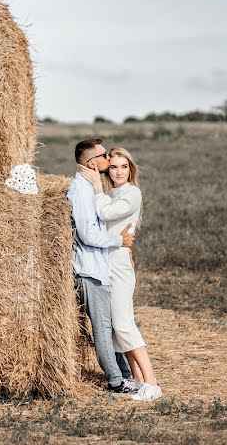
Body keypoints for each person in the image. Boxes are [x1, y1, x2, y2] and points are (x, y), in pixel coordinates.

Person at [79, 147, 163, 402]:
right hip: (108, 264)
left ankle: (152, 383)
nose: (117, 171)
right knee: (116, 327)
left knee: (125, 324)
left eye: (123, 167)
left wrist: (96, 187)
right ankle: (137, 381)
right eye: (113, 166)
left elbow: (105, 213)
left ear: (130, 169)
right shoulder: (114, 192)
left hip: (120, 268)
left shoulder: (132, 194)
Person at [68, 138, 140, 397]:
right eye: (103, 157)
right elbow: (88, 235)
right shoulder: (80, 192)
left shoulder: (93, 189)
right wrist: (119, 241)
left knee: (109, 325)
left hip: (101, 268)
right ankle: (116, 382)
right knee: (102, 328)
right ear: (91, 163)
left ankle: (125, 374)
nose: (109, 161)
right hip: (89, 269)